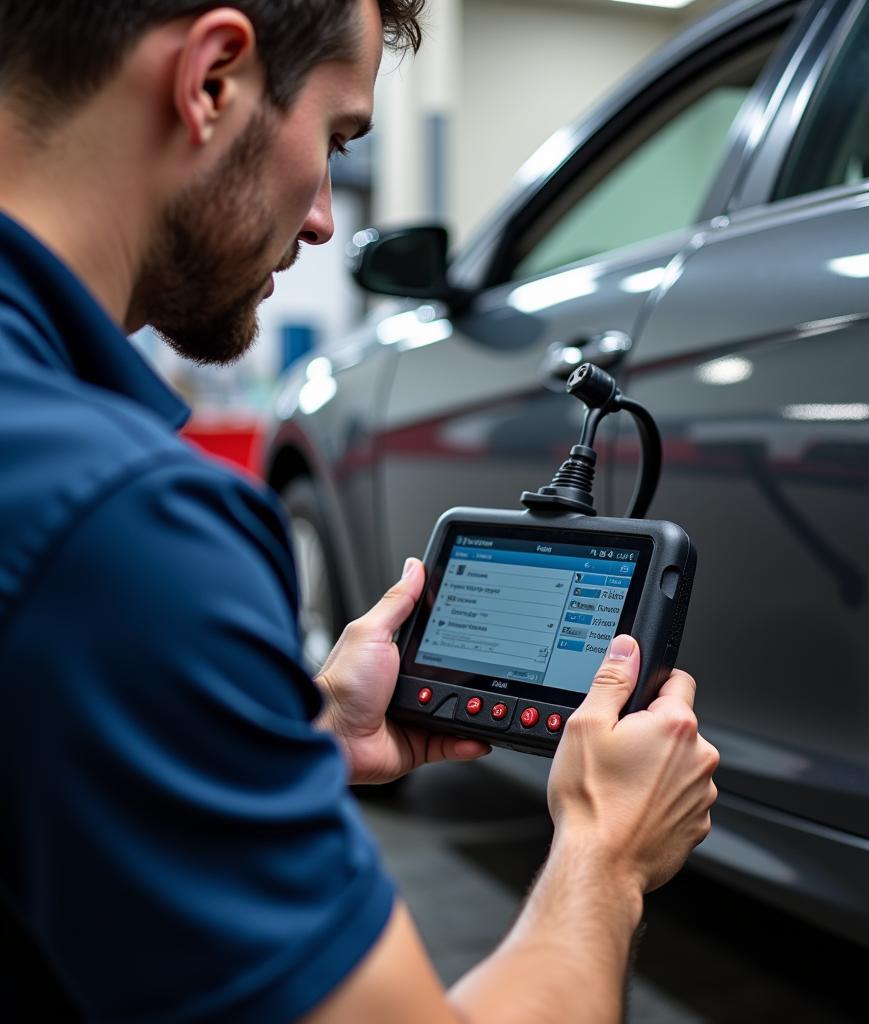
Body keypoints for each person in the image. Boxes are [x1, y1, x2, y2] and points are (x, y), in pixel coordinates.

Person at [0, 1, 720, 1021]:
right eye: (335, 138)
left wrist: (281, 740)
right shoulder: (120, 528)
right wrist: (605, 853)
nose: (324, 218)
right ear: (211, 80)